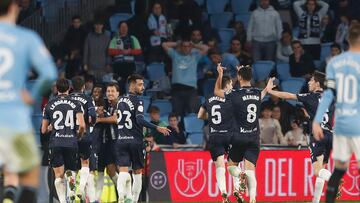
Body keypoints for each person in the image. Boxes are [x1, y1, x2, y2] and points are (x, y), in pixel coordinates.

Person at [0, 1, 57, 202]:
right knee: (31, 174)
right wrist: (32, 96)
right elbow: (50, 74)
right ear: (15, 7)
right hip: (14, 118)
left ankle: (8, 192)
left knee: (9, 171)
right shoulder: (25, 38)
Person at [266, 71, 335, 203]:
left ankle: (334, 180)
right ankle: (316, 201)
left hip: (317, 134)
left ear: (317, 83)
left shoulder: (309, 96)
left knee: (317, 170)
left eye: (311, 81)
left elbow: (288, 95)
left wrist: (270, 91)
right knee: (321, 168)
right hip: (330, 135)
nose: (309, 82)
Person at [312, 23, 360, 203]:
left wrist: (317, 121)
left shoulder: (335, 63)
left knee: (339, 169)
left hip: (340, 123)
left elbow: (327, 95)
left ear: (348, 40)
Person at [214, 65, 271, 203]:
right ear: (251, 77)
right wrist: (268, 86)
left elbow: (217, 92)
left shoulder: (235, 94)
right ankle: (252, 198)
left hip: (239, 137)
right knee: (251, 170)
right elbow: (265, 92)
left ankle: (240, 174)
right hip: (254, 137)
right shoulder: (257, 93)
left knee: (231, 166)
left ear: (239, 77)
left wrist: (220, 74)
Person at [115, 74, 170, 203]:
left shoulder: (121, 100)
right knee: (137, 172)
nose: (143, 87)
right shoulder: (138, 101)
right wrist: (157, 128)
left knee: (123, 171)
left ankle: (121, 199)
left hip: (122, 139)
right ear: (132, 85)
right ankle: (134, 201)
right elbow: (139, 120)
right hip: (135, 141)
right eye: (140, 84)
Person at [41, 79, 86, 203]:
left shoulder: (49, 104)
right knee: (71, 172)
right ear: (69, 88)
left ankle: (62, 200)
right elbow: (82, 125)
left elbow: (43, 130)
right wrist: (79, 136)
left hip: (56, 142)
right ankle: (71, 194)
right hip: (71, 142)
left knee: (58, 175)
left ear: (57, 88)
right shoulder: (76, 104)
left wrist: (50, 127)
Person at [198, 75, 235, 203]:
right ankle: (237, 190)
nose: (232, 86)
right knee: (233, 164)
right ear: (227, 84)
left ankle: (224, 193)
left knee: (220, 166)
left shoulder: (208, 97)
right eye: (231, 84)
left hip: (214, 135)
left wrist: (211, 118)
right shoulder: (231, 96)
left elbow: (199, 115)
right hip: (230, 135)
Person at [162, 39, 209, 118]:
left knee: (193, 113)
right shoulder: (175, 55)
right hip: (177, 90)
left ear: (191, 48)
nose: (186, 48)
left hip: (191, 90)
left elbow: (206, 48)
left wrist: (194, 44)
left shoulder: (195, 57)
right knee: (177, 114)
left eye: (188, 46)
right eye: (184, 46)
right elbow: (164, 45)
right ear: (180, 47)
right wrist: (178, 43)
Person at [69, 76, 97, 201]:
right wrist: (91, 121)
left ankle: (72, 192)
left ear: (71, 87)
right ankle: (80, 188)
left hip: (68, 136)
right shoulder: (87, 98)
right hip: (84, 134)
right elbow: (92, 116)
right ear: (83, 87)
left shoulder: (67, 98)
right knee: (85, 163)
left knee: (70, 166)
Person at [95, 83, 121, 199]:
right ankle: (122, 196)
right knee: (110, 171)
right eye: (108, 91)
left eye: (112, 91)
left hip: (117, 141)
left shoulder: (120, 104)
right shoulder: (105, 104)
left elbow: (115, 119)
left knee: (121, 170)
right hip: (104, 142)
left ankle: (127, 195)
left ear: (118, 93)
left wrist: (99, 119)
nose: (110, 93)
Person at [108, 21, 142, 92]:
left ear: (127, 28)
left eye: (125, 27)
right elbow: (110, 51)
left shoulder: (132, 38)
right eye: (122, 27)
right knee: (119, 86)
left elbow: (139, 50)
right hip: (118, 67)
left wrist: (129, 51)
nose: (123, 28)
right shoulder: (115, 39)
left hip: (130, 67)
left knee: (130, 87)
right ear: (119, 29)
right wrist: (121, 51)